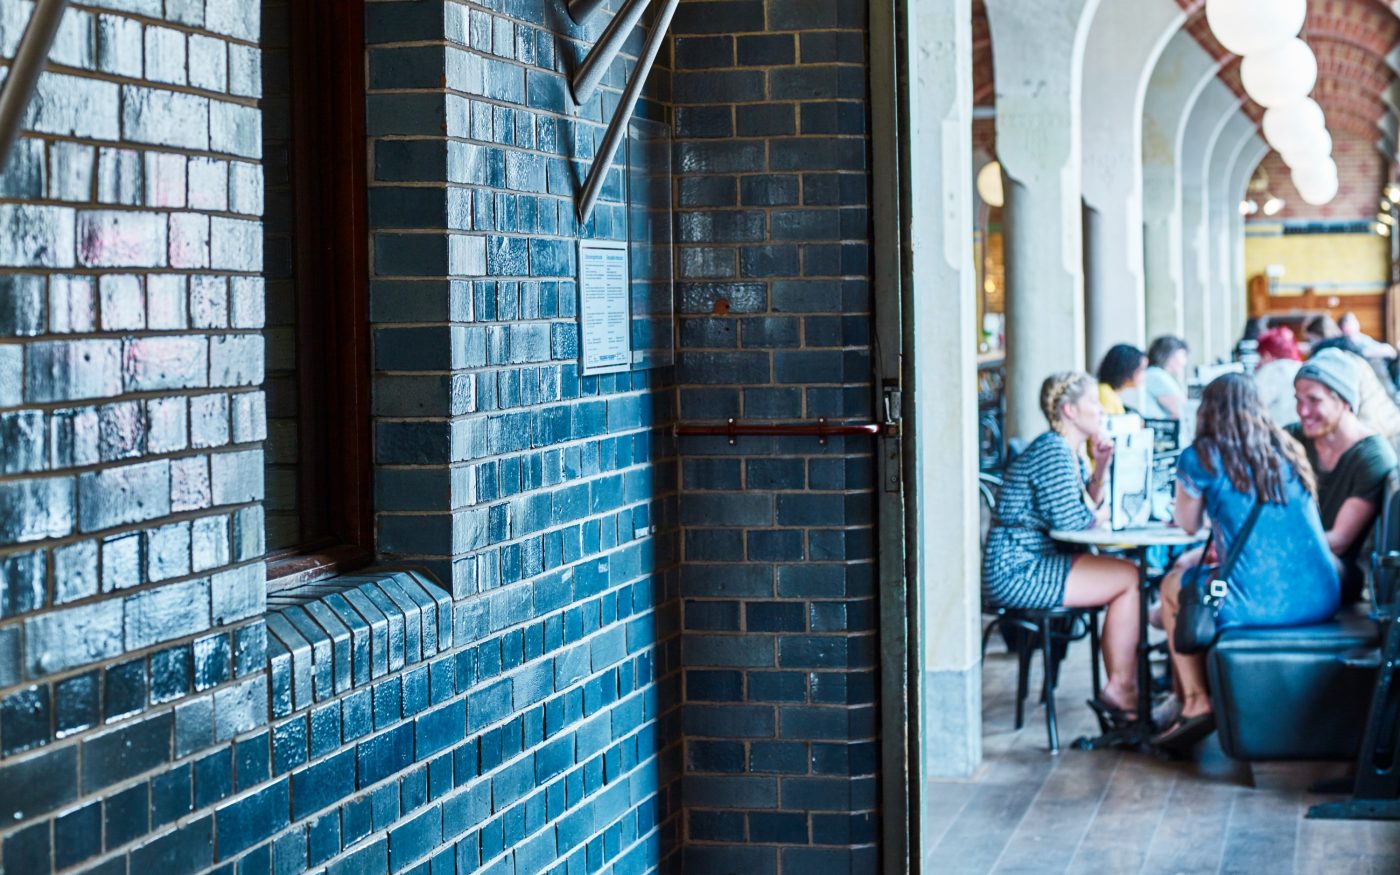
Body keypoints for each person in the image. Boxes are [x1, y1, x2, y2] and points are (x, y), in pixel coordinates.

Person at [1153, 374, 1340, 748]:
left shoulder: (1201, 455)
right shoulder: (1287, 448)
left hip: (1259, 603)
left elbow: (1188, 525)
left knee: (1175, 587)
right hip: (1322, 594)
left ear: (1207, 411)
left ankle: (1195, 701)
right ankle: (1192, 698)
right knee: (1196, 581)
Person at [983, 372, 1141, 721]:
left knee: (1131, 576)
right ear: (1069, 410)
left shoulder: (1070, 453)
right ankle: (1121, 687)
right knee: (1130, 579)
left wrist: (1101, 467)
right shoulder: (1053, 450)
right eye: (1093, 403)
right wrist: (1101, 515)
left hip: (1037, 561)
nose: (1101, 410)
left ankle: (1122, 685)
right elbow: (1074, 523)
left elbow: (1084, 508)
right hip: (1019, 569)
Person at [1286, 349, 1398, 604]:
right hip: (1291, 556)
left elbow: (1338, 541)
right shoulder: (1293, 438)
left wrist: (1268, 549)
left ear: (1344, 401)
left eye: (1314, 400)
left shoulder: (1372, 456)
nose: (1302, 411)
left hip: (1334, 571)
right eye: (1298, 400)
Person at [1251, 327, 1303, 427]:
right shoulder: (1301, 367)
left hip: (1276, 433)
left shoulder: (1272, 370)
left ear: (1266, 355)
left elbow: (1251, 404)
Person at [1134, 336, 1189, 420]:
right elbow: (1182, 409)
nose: (1185, 362)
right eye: (1183, 355)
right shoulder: (1156, 375)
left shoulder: (1154, 373)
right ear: (1169, 355)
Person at [1096, 343, 1146, 416]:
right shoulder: (1106, 395)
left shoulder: (1109, 393)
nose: (1144, 375)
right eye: (1141, 369)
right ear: (1127, 368)